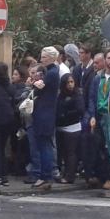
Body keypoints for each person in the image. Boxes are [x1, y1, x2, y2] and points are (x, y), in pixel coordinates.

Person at [28, 47, 62, 190]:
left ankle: (45, 176)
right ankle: (45, 175)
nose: (41, 60)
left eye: (44, 57)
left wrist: (34, 82)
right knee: (43, 145)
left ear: (52, 58)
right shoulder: (50, 72)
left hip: (44, 114)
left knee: (44, 145)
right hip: (44, 113)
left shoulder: (52, 73)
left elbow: (39, 86)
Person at [55, 72, 84, 184]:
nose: (70, 85)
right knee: (63, 153)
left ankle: (69, 175)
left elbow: (80, 110)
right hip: (61, 127)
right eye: (68, 82)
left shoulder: (77, 95)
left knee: (71, 153)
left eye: (72, 82)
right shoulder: (61, 96)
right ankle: (65, 172)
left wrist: (65, 114)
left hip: (72, 127)